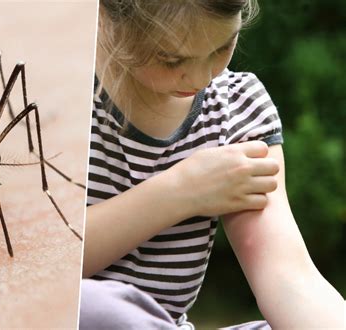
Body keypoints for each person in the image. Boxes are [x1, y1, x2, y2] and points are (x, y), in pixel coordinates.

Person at [80, 1, 344, 329]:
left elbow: (289, 277)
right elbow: (33, 266)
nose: (202, 78)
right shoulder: (53, 95)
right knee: (96, 308)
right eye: (171, 59)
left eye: (222, 47)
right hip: (68, 318)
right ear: (106, 18)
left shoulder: (239, 108)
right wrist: (182, 191)